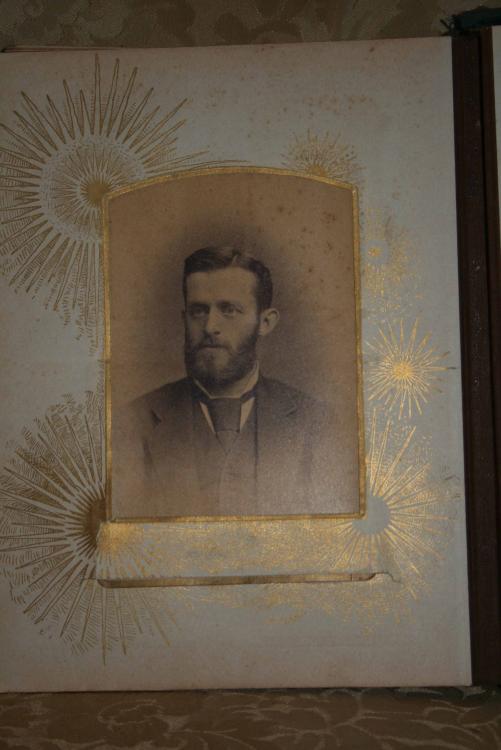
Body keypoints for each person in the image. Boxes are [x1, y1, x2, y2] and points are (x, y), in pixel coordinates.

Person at [113, 245, 356, 518]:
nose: (210, 327)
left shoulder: (316, 423)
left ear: (265, 322)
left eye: (229, 310)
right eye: (198, 311)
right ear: (184, 319)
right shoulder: (132, 423)